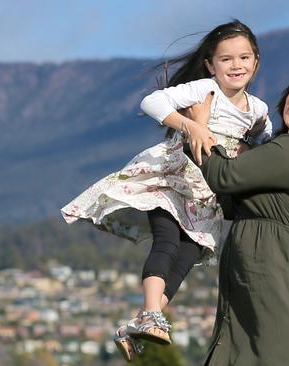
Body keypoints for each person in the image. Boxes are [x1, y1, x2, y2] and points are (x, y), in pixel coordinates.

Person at [59, 20, 272, 361]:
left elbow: (264, 145)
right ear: (210, 65)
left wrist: (249, 152)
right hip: (172, 180)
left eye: (244, 58)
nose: (236, 66)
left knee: (187, 258)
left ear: (256, 62)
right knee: (167, 242)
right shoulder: (204, 90)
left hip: (207, 195)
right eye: (226, 59)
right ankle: (150, 311)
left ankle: (139, 324)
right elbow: (152, 102)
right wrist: (190, 125)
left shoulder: (258, 110)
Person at [186, 64, 289, 366]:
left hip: (281, 297)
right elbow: (231, 198)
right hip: (270, 295)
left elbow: (224, 176)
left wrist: (198, 125)